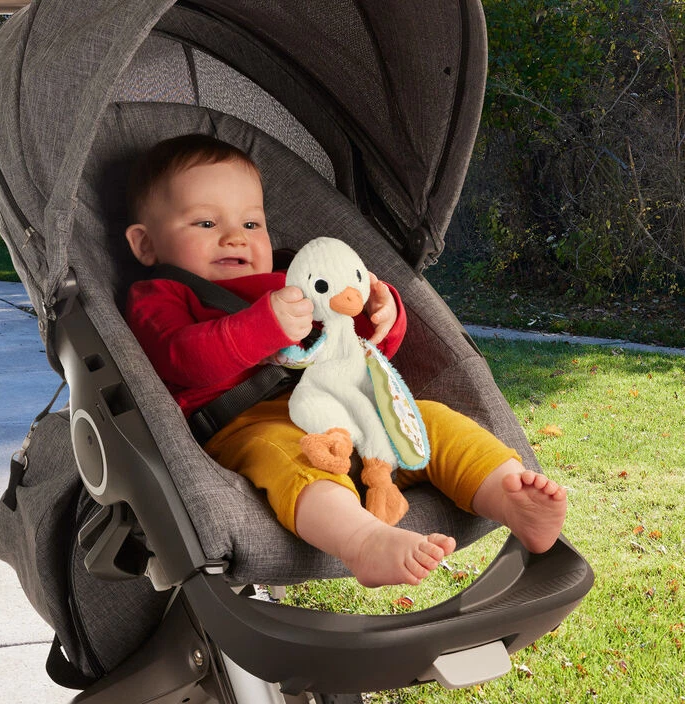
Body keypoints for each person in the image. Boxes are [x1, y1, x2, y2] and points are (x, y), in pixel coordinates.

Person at [124, 134, 567, 588]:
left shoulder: (293, 279)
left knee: (430, 420)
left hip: (353, 416)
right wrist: (264, 326)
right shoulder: (161, 294)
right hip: (250, 425)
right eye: (205, 223)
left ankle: (510, 496)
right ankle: (364, 541)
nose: (236, 236)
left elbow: (360, 355)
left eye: (252, 224)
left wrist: (380, 315)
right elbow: (182, 358)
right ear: (145, 244)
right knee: (290, 458)